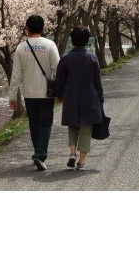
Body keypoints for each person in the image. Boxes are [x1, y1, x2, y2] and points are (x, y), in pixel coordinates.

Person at [8, 15, 60, 171]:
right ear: (43, 28)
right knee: (45, 123)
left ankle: (38, 152)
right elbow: (57, 68)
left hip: (29, 93)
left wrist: (12, 95)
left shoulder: (20, 48)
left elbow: (16, 73)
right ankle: (40, 154)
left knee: (34, 124)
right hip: (46, 93)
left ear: (27, 28)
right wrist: (60, 89)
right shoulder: (50, 45)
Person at [55, 26, 104, 171]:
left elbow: (59, 80)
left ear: (72, 39)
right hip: (89, 98)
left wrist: (59, 95)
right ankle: (81, 162)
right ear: (86, 40)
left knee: (73, 126)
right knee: (86, 129)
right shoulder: (92, 57)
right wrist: (101, 99)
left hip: (71, 98)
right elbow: (97, 81)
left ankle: (72, 153)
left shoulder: (65, 58)